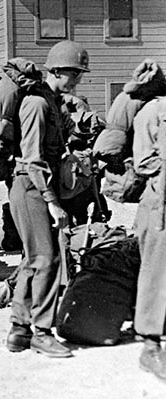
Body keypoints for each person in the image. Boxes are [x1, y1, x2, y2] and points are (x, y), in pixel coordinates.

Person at [6, 40, 90, 358]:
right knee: (47, 259)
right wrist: (52, 201)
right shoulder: (38, 105)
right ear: (56, 70)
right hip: (30, 186)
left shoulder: (52, 102)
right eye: (74, 74)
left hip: (35, 187)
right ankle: (41, 332)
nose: (77, 80)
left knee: (33, 258)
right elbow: (33, 158)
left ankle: (19, 329)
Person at [130, 63, 166, 381]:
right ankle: (150, 344)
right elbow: (143, 162)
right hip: (159, 204)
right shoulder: (150, 114)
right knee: (155, 269)